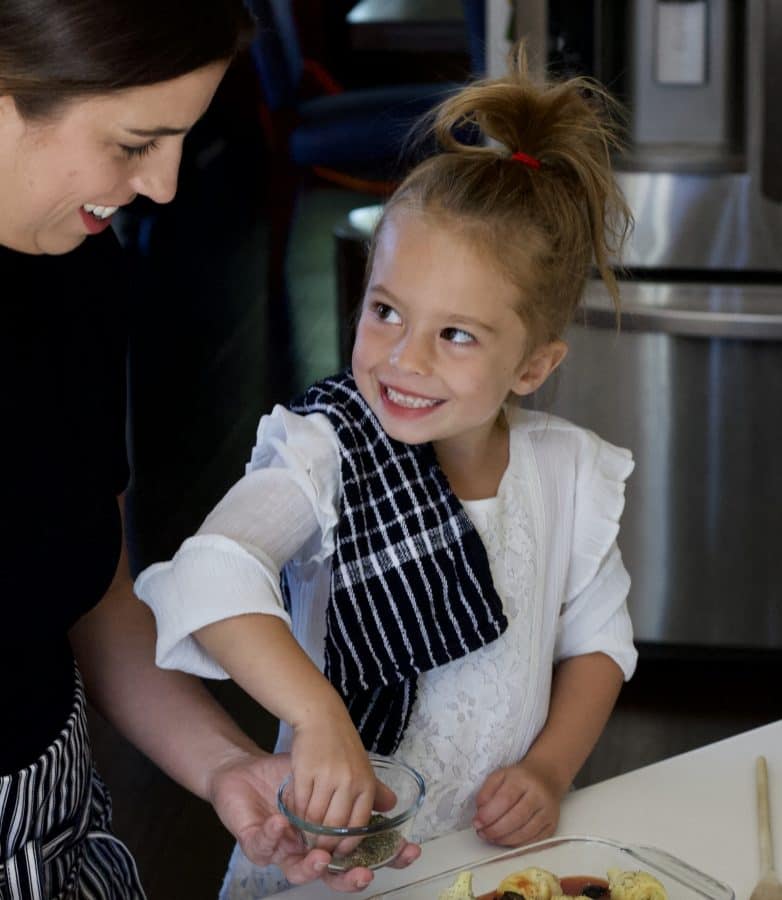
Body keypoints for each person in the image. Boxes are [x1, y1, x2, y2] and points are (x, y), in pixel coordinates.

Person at [135, 45, 638, 898]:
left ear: (532, 366)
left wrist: (550, 772)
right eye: (386, 311)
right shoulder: (323, 448)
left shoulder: (566, 473)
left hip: (488, 861)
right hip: (331, 860)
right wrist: (319, 717)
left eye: (456, 334)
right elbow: (213, 575)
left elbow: (597, 645)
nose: (403, 360)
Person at [0, 1, 415, 896]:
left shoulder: (82, 273)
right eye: (134, 142)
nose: (164, 185)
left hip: (57, 835)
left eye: (182, 139)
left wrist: (226, 766)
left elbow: (97, 597)